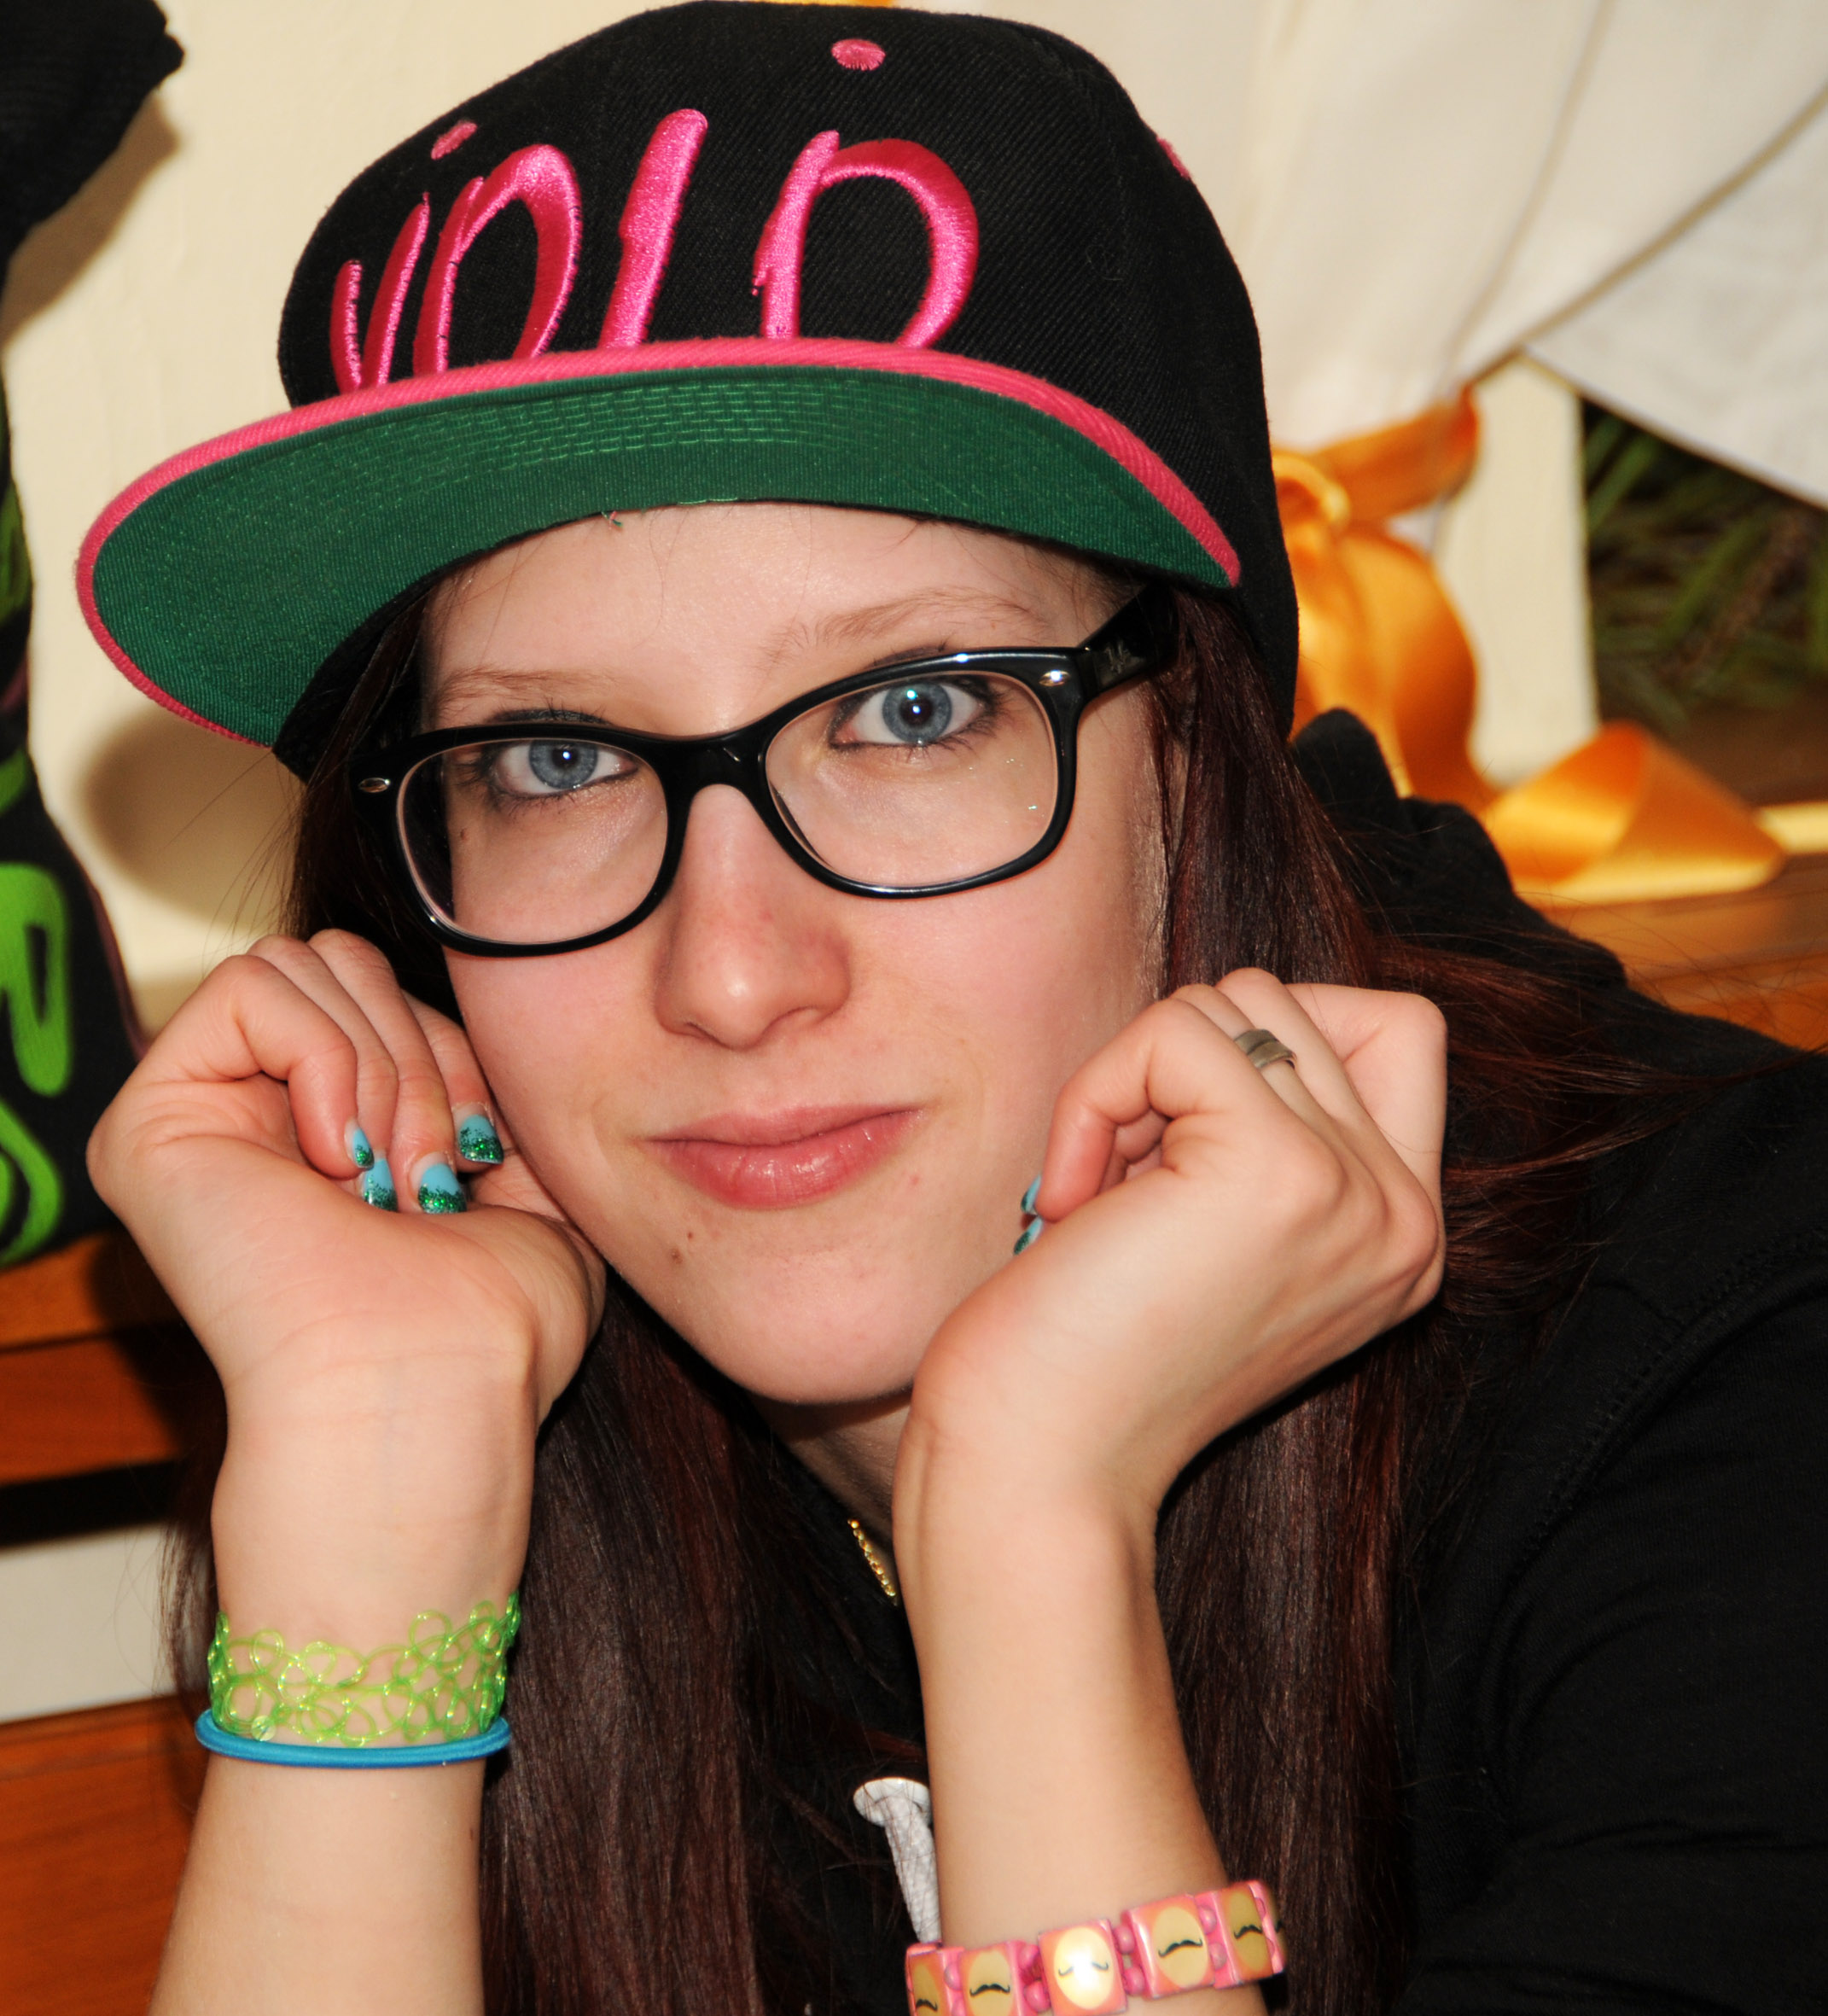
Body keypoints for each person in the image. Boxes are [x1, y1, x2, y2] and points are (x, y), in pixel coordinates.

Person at [79, 7, 1827, 2014]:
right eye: (556, 759)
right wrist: (369, 1499)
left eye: (915, 710)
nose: (734, 973)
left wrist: (1024, 1519)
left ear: (1202, 755)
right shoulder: (537, 1419)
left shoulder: (1747, 1370)